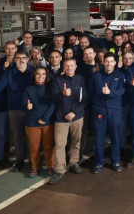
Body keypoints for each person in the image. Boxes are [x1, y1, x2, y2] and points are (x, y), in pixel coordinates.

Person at [49, 57, 89, 185]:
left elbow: (84, 99)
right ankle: (59, 169)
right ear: (63, 67)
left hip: (77, 117)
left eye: (72, 65)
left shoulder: (80, 79)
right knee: (59, 144)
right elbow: (52, 98)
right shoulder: (57, 81)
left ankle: (73, 162)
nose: (69, 68)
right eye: (67, 66)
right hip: (61, 118)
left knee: (76, 141)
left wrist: (74, 112)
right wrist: (62, 94)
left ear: (75, 66)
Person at [0, 50, 34, 172]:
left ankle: (33, 159)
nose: (21, 60)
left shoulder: (33, 72)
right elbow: (0, 86)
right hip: (14, 109)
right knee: (18, 135)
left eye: (23, 58)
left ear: (28, 59)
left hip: (31, 109)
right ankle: (19, 159)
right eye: (18, 58)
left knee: (31, 136)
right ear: (14, 59)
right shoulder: (8, 73)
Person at [89, 52, 126, 174]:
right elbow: (91, 93)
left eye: (111, 61)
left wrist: (109, 92)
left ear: (115, 63)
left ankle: (115, 161)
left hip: (114, 112)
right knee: (99, 139)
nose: (109, 63)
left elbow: (121, 91)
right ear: (103, 62)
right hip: (99, 112)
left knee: (115, 138)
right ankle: (99, 162)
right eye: (107, 61)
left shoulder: (120, 76)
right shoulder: (96, 76)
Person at [21, 67, 55, 178]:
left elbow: (53, 105)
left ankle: (50, 166)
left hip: (47, 122)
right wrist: (27, 106)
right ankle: (35, 167)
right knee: (34, 147)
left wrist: (44, 118)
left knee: (48, 146)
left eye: (43, 74)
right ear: (34, 75)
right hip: (32, 122)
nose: (41, 76)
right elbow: (24, 104)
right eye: (38, 74)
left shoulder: (50, 89)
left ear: (46, 76)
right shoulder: (28, 89)